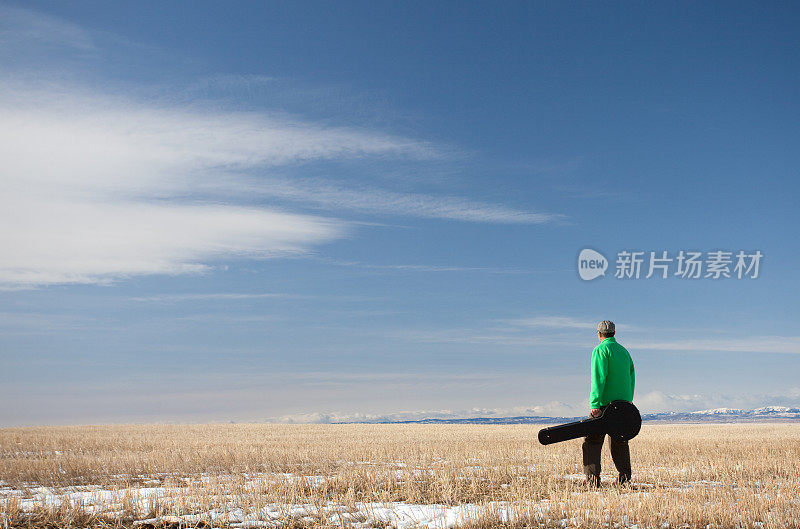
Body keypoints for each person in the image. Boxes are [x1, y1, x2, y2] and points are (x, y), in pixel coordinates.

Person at [582, 320, 635, 487]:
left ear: (598, 334)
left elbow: (599, 378)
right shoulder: (624, 351)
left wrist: (595, 403)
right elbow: (631, 376)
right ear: (614, 333)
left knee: (592, 441)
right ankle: (624, 480)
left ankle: (592, 481)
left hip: (605, 404)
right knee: (620, 441)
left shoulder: (600, 350)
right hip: (624, 403)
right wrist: (628, 400)